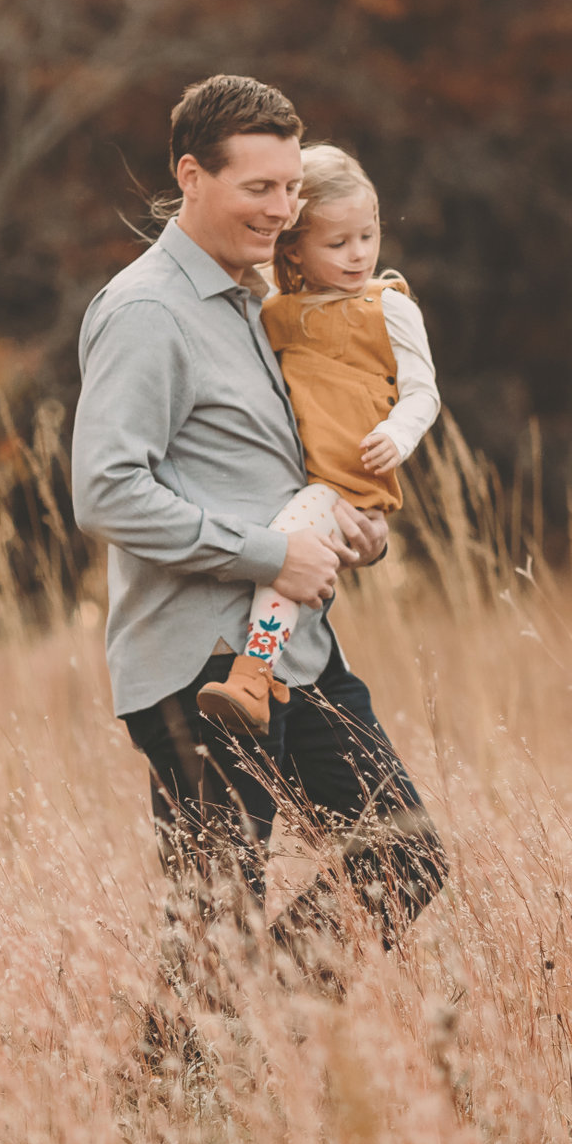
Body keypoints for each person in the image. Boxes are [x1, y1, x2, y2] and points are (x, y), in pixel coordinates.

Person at [72, 75, 445, 1000]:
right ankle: (178, 1110)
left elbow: (288, 471)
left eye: (290, 190)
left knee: (403, 855)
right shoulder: (148, 310)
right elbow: (107, 492)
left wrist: (355, 532)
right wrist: (271, 553)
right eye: (258, 189)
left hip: (298, 655)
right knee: (215, 917)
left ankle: (249, 1033)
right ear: (191, 175)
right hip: (199, 665)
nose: (282, 211)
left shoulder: (263, 302)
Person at [202, 143, 440, 731]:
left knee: (289, 543)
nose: (359, 254)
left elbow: (423, 390)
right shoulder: (277, 310)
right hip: (300, 482)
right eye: (337, 244)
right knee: (290, 535)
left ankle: (254, 677)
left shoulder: (387, 309)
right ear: (296, 252)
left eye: (368, 235)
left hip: (349, 481)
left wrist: (397, 434)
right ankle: (286, 676)